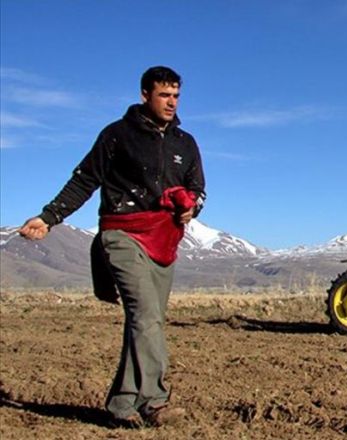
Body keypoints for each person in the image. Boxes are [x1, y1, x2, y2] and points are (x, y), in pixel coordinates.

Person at [18, 66, 206, 428]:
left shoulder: (186, 143)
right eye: (164, 95)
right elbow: (85, 179)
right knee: (147, 316)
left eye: (176, 96)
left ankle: (121, 403)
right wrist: (49, 217)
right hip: (122, 233)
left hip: (164, 239)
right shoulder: (117, 135)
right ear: (144, 95)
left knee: (145, 322)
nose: (172, 102)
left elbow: (198, 188)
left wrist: (191, 206)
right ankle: (156, 401)